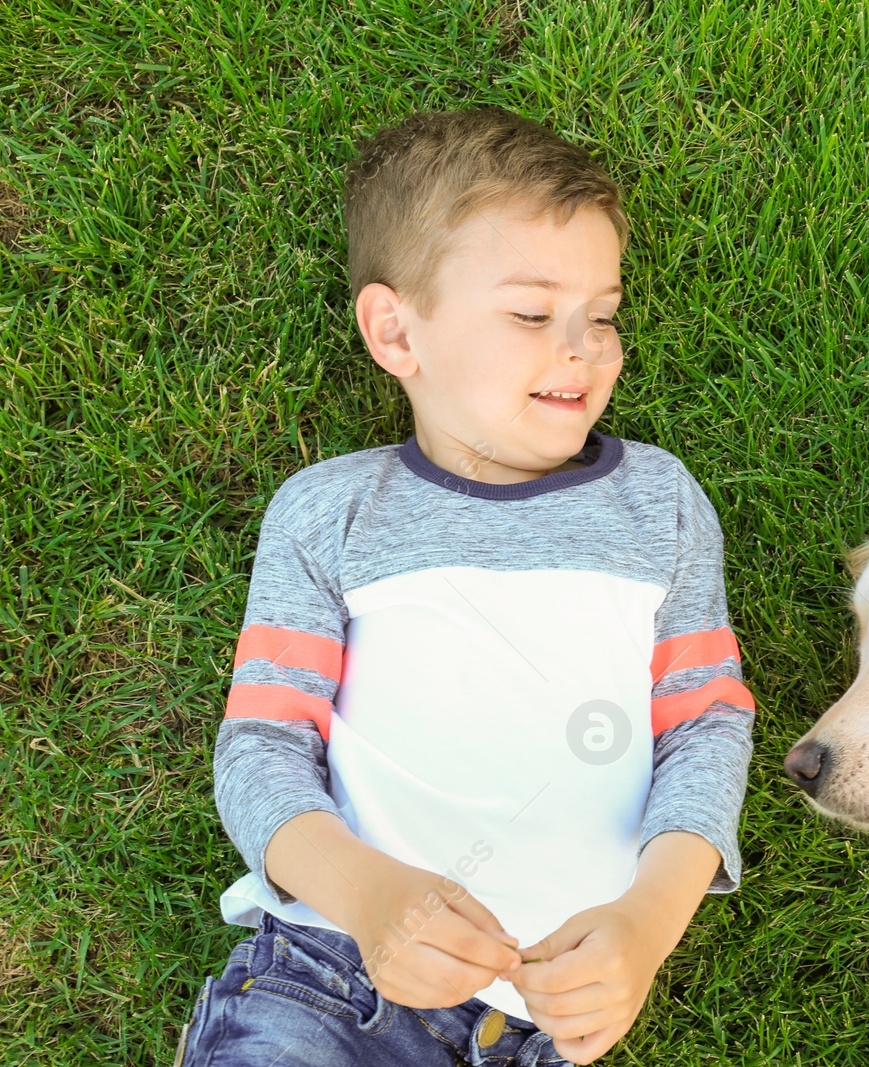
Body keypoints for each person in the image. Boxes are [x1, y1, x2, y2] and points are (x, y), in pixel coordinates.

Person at [176, 106, 756, 1067]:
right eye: (532, 314)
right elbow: (260, 745)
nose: (586, 347)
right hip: (329, 980)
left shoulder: (661, 503)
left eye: (603, 313)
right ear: (396, 331)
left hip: (547, 1024)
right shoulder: (330, 512)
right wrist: (367, 899)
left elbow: (705, 723)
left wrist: (648, 926)